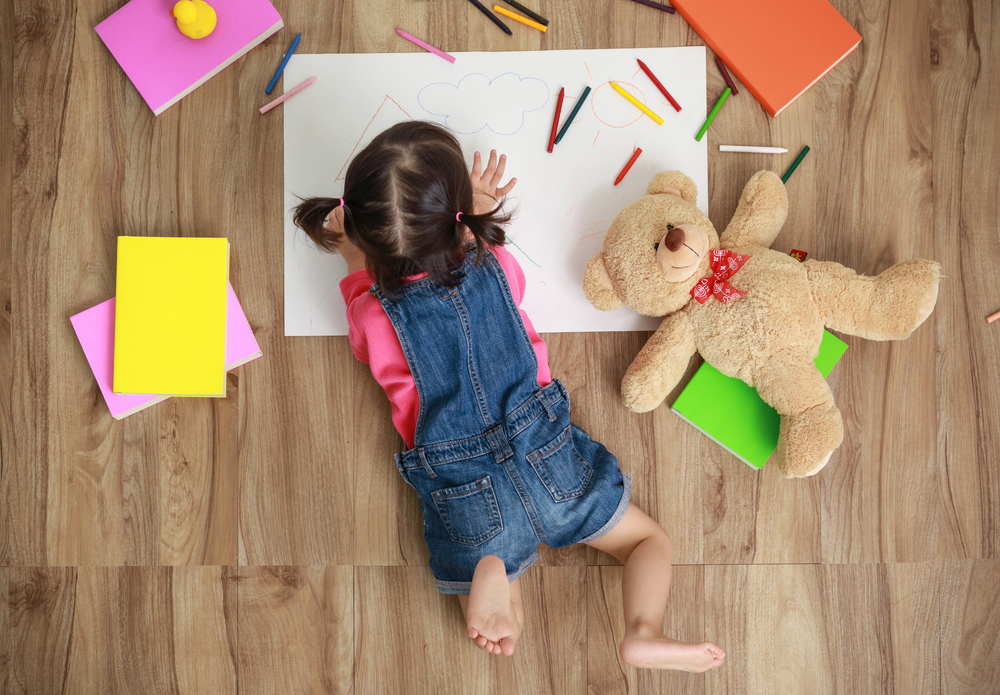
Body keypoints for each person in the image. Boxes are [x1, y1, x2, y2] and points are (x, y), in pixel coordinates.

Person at [293, 121, 725, 671]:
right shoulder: (494, 263)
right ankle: (643, 630)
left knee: (497, 559)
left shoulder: (373, 310)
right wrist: (475, 213)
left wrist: (356, 260)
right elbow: (492, 272)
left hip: (461, 479)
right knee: (647, 544)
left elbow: (364, 335)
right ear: (459, 217)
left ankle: (498, 580)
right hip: (541, 447)